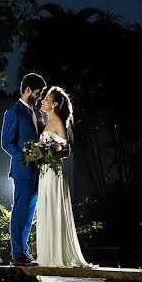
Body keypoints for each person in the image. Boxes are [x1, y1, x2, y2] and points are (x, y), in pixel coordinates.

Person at [35, 86, 95, 268]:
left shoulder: (59, 123)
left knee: (55, 206)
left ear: (53, 104)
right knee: (46, 207)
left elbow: (66, 149)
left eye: (46, 99)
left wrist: (50, 154)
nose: (43, 101)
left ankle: (59, 254)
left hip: (54, 172)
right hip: (44, 172)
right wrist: (37, 155)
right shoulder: (46, 124)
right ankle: (47, 254)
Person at [1, 73, 46, 267]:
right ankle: (17, 253)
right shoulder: (13, 112)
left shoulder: (36, 114)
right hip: (22, 172)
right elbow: (6, 143)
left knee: (29, 213)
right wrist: (26, 157)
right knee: (20, 212)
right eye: (37, 93)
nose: (39, 97)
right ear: (27, 89)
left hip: (38, 172)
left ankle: (25, 252)